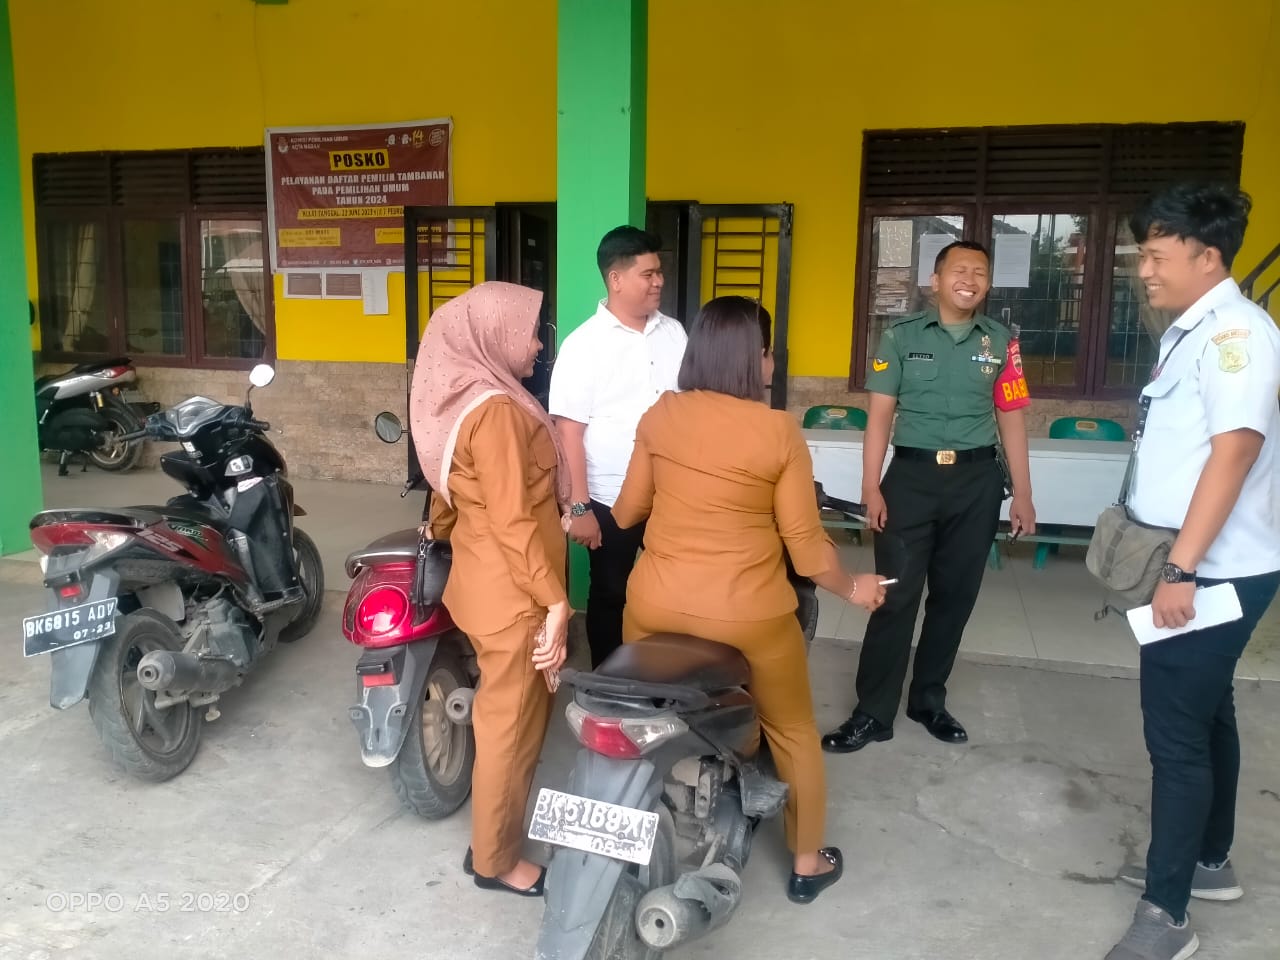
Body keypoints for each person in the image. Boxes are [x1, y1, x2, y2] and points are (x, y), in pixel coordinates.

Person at [611, 295, 886, 904]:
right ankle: (808, 862)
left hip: (653, 608)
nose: (771, 362)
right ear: (750, 359)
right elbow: (807, 552)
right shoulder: (777, 430)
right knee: (794, 729)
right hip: (749, 617)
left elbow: (627, 512)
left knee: (640, 721)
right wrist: (855, 588)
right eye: (767, 352)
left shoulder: (661, 415)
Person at [1104, 183, 1280, 960]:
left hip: (1210, 571)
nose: (1143, 269)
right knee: (1209, 717)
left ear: (1207, 257)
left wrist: (1180, 569)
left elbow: (1234, 452)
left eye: (1155, 255)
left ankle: (1167, 915)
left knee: (1176, 737)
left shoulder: (1236, 335)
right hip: (1205, 565)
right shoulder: (1195, 330)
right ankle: (1208, 862)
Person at [822, 240, 1037, 754]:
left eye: (979, 272)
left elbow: (1011, 417)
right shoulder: (900, 336)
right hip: (911, 481)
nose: (970, 279)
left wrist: (1024, 494)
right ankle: (872, 713)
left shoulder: (1002, 342)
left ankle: (928, 701)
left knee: (954, 598)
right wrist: (871, 485)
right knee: (894, 595)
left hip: (977, 482)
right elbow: (879, 416)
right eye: (959, 270)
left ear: (988, 283)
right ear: (935, 281)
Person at [410, 281, 572, 897]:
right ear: (493, 336)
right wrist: (554, 601)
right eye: (529, 332)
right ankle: (497, 862)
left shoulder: (460, 401)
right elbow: (512, 521)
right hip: (516, 598)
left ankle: (489, 839)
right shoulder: (498, 412)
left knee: (503, 717)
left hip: (482, 585)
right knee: (512, 726)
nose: (536, 346)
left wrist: (438, 528)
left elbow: (446, 495)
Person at [549, 226, 687, 666]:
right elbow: (569, 432)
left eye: (659, 272)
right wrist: (580, 508)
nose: (659, 281)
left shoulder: (675, 334)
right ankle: (608, 683)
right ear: (616, 279)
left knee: (675, 590)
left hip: (671, 493)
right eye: (648, 274)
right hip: (610, 497)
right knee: (611, 592)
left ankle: (665, 675)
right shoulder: (583, 345)